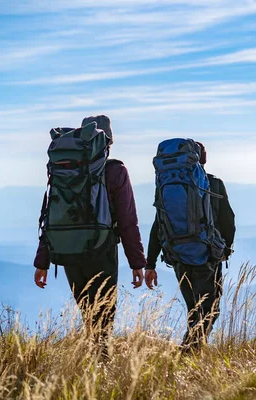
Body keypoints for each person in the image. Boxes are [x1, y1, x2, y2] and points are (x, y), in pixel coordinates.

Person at [33, 115, 147, 357]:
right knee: (104, 317)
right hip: (101, 249)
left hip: (67, 249)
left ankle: (92, 367)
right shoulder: (115, 171)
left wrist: (42, 261)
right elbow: (128, 221)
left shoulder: (64, 167)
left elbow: (50, 215)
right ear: (109, 141)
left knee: (88, 314)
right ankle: (101, 373)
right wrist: (137, 262)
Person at [145, 141, 235, 351]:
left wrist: (150, 263)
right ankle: (188, 353)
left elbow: (159, 224)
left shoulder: (165, 186)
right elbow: (228, 219)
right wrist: (226, 250)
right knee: (209, 309)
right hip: (207, 255)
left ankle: (189, 351)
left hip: (177, 254)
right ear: (201, 159)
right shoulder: (213, 184)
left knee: (193, 308)